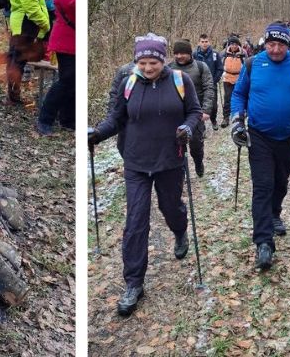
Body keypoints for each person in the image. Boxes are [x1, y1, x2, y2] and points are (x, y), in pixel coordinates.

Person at [88, 34, 202, 317]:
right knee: (136, 220)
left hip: (170, 160)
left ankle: (180, 230)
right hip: (136, 162)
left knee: (171, 208)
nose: (148, 68)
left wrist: (187, 129)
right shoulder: (129, 83)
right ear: (135, 61)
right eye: (142, 62)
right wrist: (97, 133)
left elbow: (195, 112)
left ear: (163, 60)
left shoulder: (180, 81)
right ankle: (134, 283)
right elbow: (115, 118)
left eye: (153, 62)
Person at [229, 22, 290, 271]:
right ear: (265, 43)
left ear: (288, 44)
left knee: (281, 182)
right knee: (263, 185)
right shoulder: (253, 64)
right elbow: (239, 95)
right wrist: (238, 121)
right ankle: (263, 242)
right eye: (271, 44)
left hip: (289, 134)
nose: (276, 49)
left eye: (281, 44)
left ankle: (274, 213)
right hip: (259, 135)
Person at [4, 0, 52, 104]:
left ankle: (13, 94)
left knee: (15, 58)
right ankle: (14, 96)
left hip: (19, 21)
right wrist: (45, 23)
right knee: (19, 60)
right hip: (26, 23)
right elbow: (30, 5)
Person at [38, 0, 76, 135]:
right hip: (66, 41)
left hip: (73, 41)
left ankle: (68, 119)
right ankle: (45, 118)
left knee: (73, 82)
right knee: (67, 81)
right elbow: (70, 3)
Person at [168, 39, 214, 176]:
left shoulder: (201, 67)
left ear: (189, 53)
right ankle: (180, 169)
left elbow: (209, 88)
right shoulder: (169, 68)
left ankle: (198, 162)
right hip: (175, 114)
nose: (179, 56)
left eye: (182, 53)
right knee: (176, 145)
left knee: (196, 146)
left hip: (196, 113)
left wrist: (206, 110)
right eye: (176, 53)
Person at [192, 34, 222, 127]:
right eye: (202, 42)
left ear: (209, 42)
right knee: (199, 105)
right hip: (198, 84)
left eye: (206, 42)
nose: (204, 44)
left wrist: (214, 80)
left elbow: (220, 69)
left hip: (212, 83)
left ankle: (213, 120)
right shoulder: (194, 54)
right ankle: (202, 126)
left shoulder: (215, 54)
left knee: (213, 106)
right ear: (199, 42)